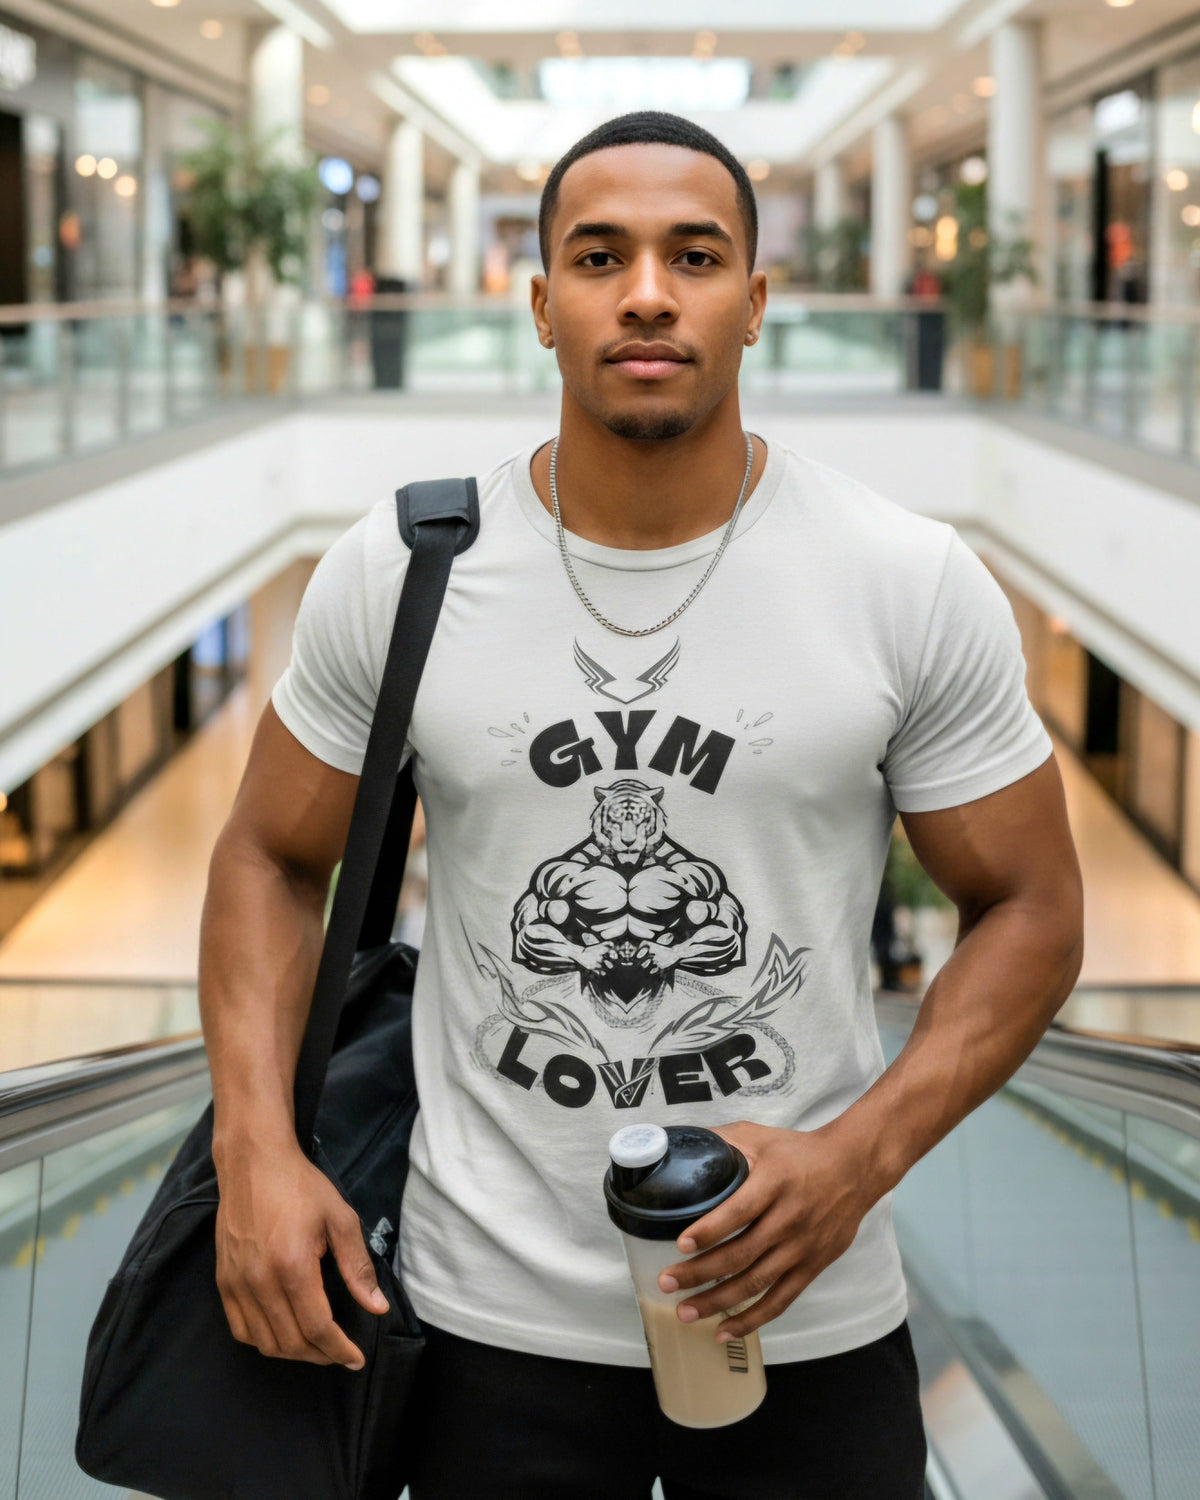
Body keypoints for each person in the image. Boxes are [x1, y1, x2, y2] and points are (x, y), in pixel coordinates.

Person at [199, 112, 1083, 1498]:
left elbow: (1032, 906)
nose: (651, 292)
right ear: (542, 304)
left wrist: (858, 1161)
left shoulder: (903, 580)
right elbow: (266, 853)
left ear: (756, 305)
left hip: (806, 1311)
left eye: (698, 255)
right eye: (600, 256)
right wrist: (253, 1150)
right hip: (483, 1317)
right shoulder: (408, 567)